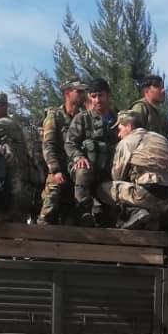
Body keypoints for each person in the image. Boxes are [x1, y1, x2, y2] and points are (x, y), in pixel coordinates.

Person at [105, 110, 168, 229]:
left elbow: (117, 176)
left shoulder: (128, 141)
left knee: (104, 189)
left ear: (128, 126)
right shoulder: (160, 138)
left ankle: (133, 213)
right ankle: (152, 218)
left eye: (119, 129)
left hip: (145, 193)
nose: (118, 135)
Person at [65, 78, 118, 227]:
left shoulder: (118, 119)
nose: (97, 100)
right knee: (82, 170)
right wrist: (78, 157)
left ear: (108, 95)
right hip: (87, 168)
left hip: (108, 171)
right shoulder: (82, 118)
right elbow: (70, 142)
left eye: (100, 95)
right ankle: (82, 211)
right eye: (93, 96)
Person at [38, 79, 86, 225]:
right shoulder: (55, 116)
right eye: (78, 91)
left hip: (77, 170)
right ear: (67, 93)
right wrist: (56, 170)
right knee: (51, 200)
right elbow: (48, 145)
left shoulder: (84, 117)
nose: (82, 95)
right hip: (59, 169)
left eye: (83, 91)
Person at [0, 91, 34, 222]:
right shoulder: (5, 123)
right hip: (13, 185)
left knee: (13, 228)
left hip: (15, 187)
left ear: (4, 106)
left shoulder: (3, 123)